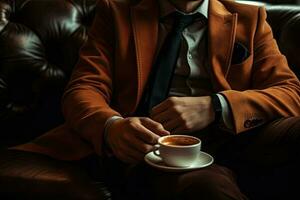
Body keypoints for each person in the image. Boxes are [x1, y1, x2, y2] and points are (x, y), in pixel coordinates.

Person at [13, 0, 300, 199]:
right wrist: (112, 127)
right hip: (158, 148)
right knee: (207, 189)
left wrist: (215, 106)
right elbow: (83, 89)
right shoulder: (116, 13)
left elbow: (290, 92)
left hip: (240, 134)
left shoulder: (250, 18)